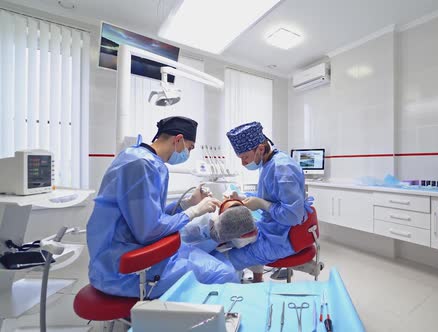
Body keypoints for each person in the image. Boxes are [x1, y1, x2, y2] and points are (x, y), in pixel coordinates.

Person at [87, 116, 238, 298]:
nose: (187, 153)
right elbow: (148, 230)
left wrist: (188, 203)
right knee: (225, 274)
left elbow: (148, 215)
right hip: (125, 270)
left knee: (223, 261)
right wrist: (194, 211)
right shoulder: (142, 165)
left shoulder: (138, 157)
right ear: (178, 140)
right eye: (189, 148)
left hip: (128, 254)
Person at [223, 121, 312, 282]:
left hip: (283, 240)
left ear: (261, 149)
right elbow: (269, 196)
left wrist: (262, 204)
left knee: (228, 259)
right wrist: (243, 197)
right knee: (233, 242)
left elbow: (293, 216)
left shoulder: (282, 168)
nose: (243, 163)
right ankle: (257, 280)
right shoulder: (268, 163)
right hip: (273, 231)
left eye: (245, 157)